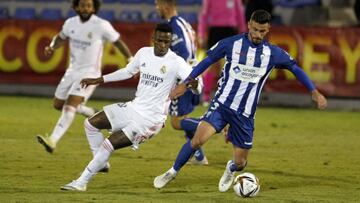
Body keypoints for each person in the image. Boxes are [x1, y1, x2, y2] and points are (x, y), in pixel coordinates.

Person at [153, 10, 327, 192]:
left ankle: (231, 168)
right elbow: (207, 61)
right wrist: (186, 83)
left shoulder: (272, 54)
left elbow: (295, 68)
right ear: (249, 25)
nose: (258, 35)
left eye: (263, 31)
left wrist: (314, 91)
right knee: (197, 140)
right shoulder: (231, 44)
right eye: (256, 30)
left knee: (241, 162)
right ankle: (172, 172)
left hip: (244, 115)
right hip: (221, 105)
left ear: (268, 30)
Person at [60, 23, 201, 191]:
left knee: (108, 144)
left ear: (170, 42)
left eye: (167, 42)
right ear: (153, 38)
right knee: (90, 124)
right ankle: (100, 162)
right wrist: (99, 79)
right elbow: (127, 72)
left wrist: (194, 85)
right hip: (133, 108)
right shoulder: (143, 53)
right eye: (160, 40)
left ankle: (81, 182)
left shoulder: (176, 62)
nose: (163, 45)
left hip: (150, 120)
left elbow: (199, 85)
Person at [36, 0, 132, 154]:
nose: (86, 8)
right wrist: (52, 47)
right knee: (58, 104)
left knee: (69, 105)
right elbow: (60, 37)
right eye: (82, 5)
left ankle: (52, 140)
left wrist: (130, 59)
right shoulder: (70, 23)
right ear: (76, 7)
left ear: (94, 8)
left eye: (89, 5)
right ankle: (87, 110)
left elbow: (118, 42)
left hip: (89, 73)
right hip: (72, 71)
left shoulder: (101, 25)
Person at [155, 0, 208, 165]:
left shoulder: (173, 27)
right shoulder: (183, 23)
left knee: (177, 123)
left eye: (157, 4)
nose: (156, 8)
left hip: (184, 79)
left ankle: (213, 125)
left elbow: (183, 54)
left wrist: (177, 79)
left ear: (165, 5)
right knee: (183, 119)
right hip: (194, 75)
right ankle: (199, 157)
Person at [198, 0, 247, 106]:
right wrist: (201, 35)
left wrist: (243, 33)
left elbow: (240, 14)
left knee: (234, 64)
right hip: (215, 31)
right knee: (213, 64)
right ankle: (206, 94)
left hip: (230, 31)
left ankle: (231, 96)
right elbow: (204, 16)